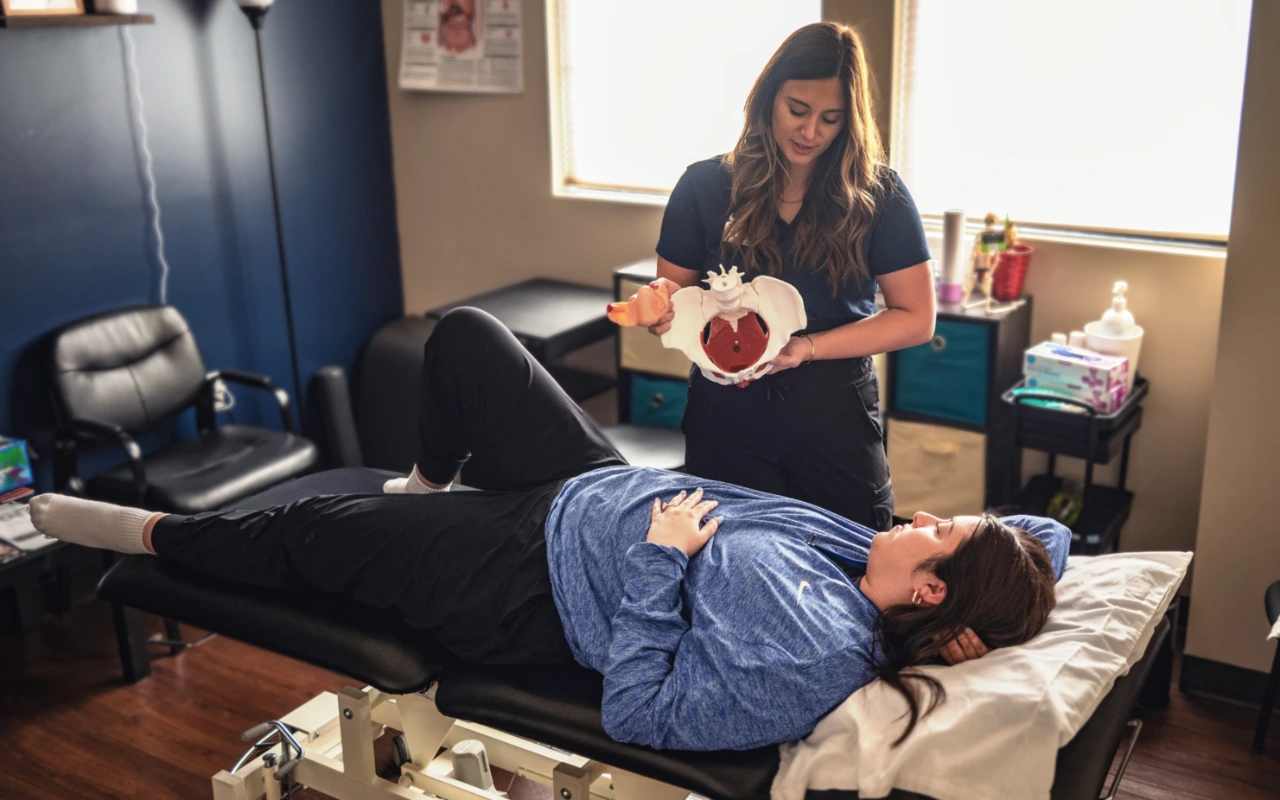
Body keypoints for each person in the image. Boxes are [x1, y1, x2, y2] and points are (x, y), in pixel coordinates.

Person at [31, 309, 1065, 753]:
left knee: (307, 527)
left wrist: (663, 564)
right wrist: (1017, 572)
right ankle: (428, 484)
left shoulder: (810, 648)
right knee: (470, 341)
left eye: (940, 532)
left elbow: (641, 710)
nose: (923, 515)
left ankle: (151, 535)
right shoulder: (873, 556)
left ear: (928, 591)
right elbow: (1028, 541)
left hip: (527, 583)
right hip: (582, 492)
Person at [649, 22, 936, 530]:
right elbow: (672, 300)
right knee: (730, 569)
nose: (810, 133)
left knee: (853, 568)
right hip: (726, 416)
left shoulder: (880, 195)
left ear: (851, 121)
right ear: (768, 99)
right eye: (797, 111)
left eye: (830, 119)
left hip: (835, 415)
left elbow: (916, 318)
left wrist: (807, 347)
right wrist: (657, 311)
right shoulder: (703, 187)